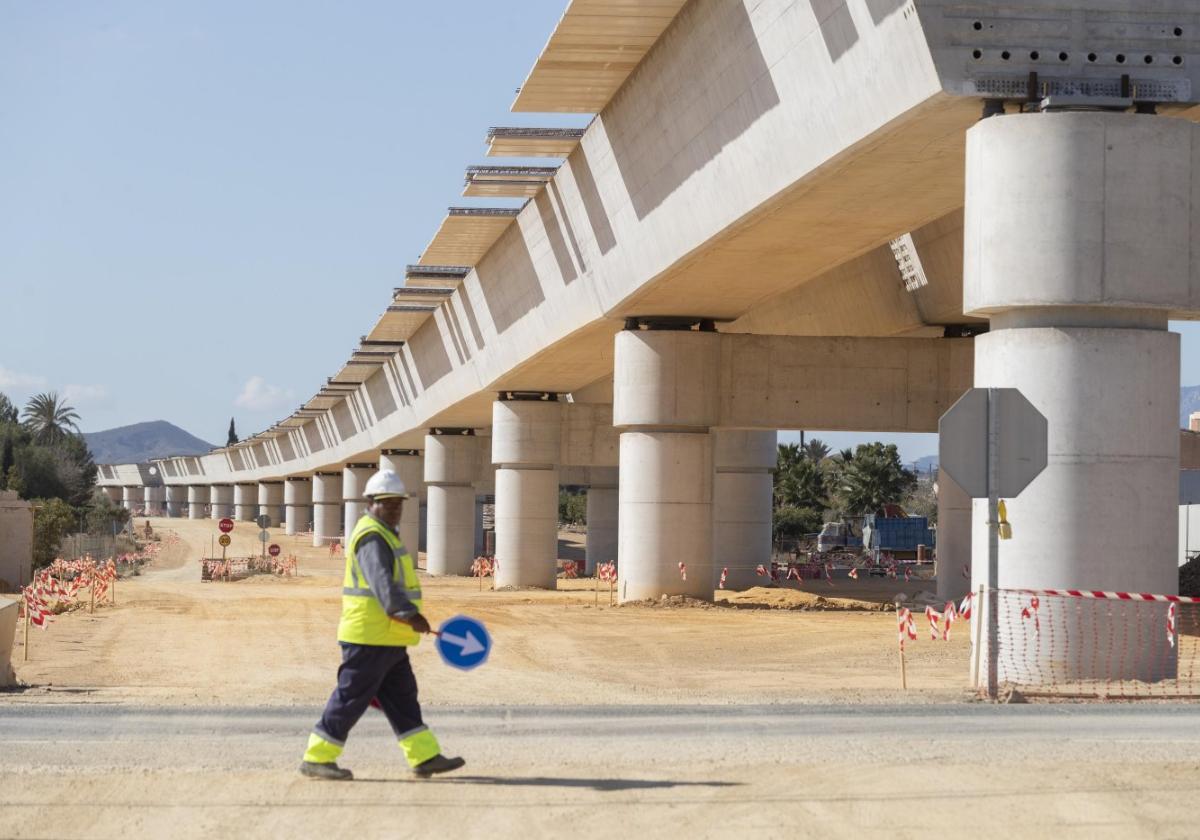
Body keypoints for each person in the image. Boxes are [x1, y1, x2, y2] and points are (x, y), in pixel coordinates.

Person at [300, 469, 465, 781]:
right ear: (370, 503)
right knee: (351, 697)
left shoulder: (386, 534)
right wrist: (409, 615)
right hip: (369, 637)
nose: (394, 509)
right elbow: (383, 586)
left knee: (403, 697)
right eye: (387, 503)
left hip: (387, 638)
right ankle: (317, 756)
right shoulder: (372, 537)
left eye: (397, 503)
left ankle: (424, 756)